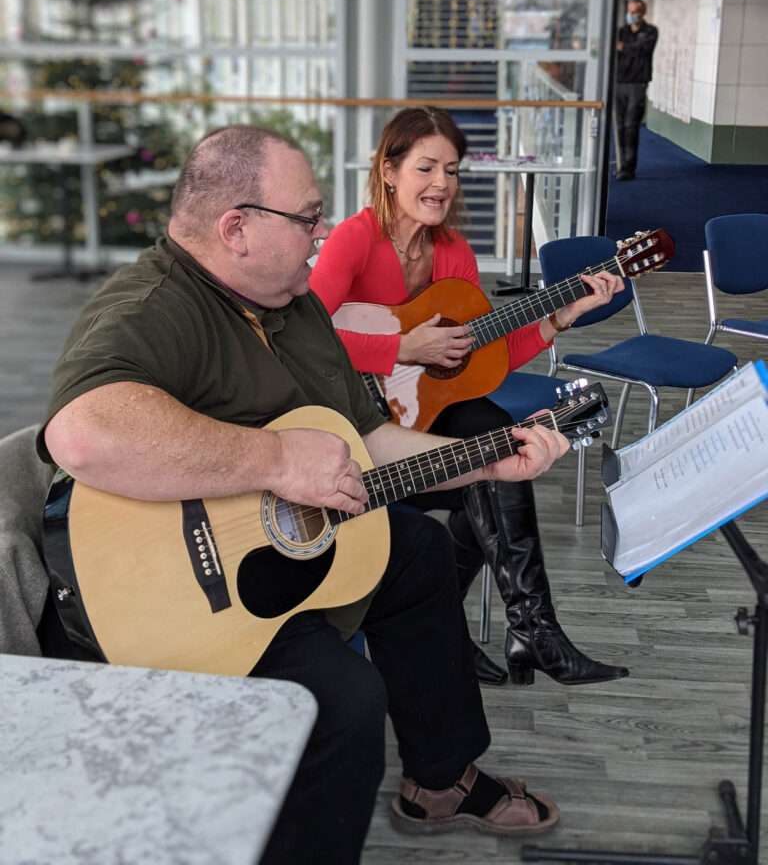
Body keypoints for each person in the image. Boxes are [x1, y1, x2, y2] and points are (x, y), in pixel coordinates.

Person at [37, 124, 572, 865]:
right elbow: (85, 434)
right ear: (237, 228)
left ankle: (440, 779)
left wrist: (486, 462)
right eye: (307, 218)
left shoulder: (294, 305)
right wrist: (273, 458)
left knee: (416, 550)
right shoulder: (153, 305)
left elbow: (373, 444)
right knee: (345, 701)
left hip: (274, 550)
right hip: (168, 594)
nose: (323, 236)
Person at [310, 106, 629, 688]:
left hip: (430, 411)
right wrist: (402, 348)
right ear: (388, 169)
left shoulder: (453, 252)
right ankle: (490, 631)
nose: (440, 184)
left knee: (495, 449)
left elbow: (483, 362)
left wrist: (559, 317)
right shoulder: (355, 240)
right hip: (351, 414)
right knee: (492, 462)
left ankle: (518, 626)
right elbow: (307, 332)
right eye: (426, 167)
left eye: (451, 170)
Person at [614, 0, 659, 181]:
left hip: (637, 85)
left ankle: (628, 167)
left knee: (631, 126)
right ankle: (619, 162)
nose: (630, 15)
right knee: (619, 127)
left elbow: (642, 49)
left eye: (634, 12)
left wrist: (624, 47)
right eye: (629, 11)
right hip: (619, 83)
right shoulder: (621, 32)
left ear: (642, 13)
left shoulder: (650, 32)